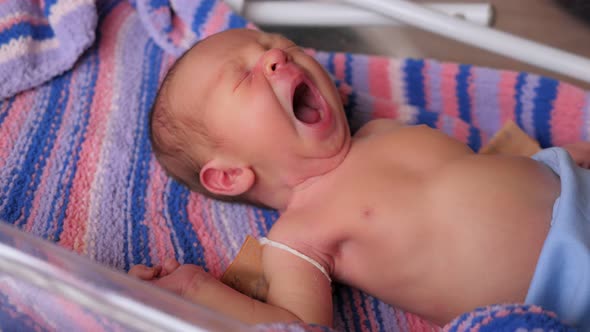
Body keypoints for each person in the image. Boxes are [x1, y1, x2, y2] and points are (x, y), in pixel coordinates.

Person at [129, 28, 590, 329]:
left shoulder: (384, 131)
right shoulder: (299, 234)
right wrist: (195, 289)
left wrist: (560, 158)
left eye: (280, 45)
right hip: (559, 289)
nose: (275, 55)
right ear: (229, 174)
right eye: (243, 75)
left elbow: (479, 177)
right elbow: (296, 326)